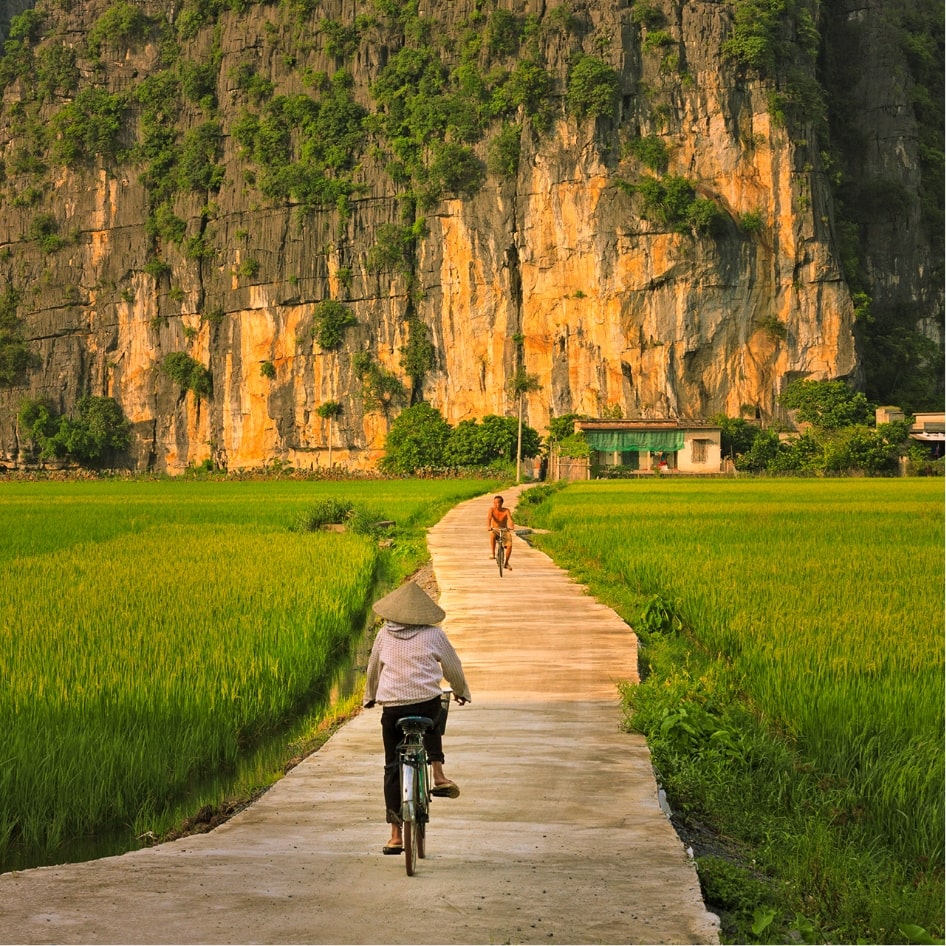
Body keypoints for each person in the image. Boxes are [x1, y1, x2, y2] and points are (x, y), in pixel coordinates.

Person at [363, 581, 471, 855]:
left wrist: (369, 696)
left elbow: (373, 669)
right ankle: (438, 774)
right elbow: (452, 666)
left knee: (391, 766)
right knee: (435, 714)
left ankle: (395, 835)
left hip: (393, 709)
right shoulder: (434, 635)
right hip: (425, 703)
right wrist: (460, 691)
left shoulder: (384, 635)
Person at [486, 494, 515, 568]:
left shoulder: (506, 510)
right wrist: (489, 526)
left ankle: (506, 563)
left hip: (504, 530)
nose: (496, 504)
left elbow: (510, 519)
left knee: (509, 546)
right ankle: (493, 553)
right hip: (495, 530)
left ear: (502, 503)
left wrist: (511, 525)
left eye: (498, 503)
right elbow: (489, 518)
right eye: (494, 503)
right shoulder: (491, 509)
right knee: (492, 534)